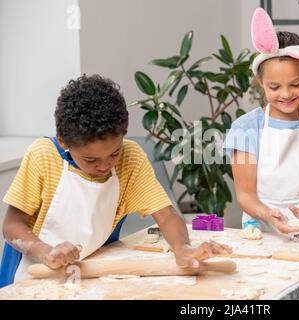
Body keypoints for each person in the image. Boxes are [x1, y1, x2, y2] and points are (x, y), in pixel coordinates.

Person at [0, 74, 231, 287]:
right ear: (63, 141)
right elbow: (11, 225)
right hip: (30, 277)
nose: (104, 165)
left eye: (114, 153)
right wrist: (46, 251)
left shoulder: (130, 159)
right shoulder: (43, 156)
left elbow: (166, 214)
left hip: (88, 276)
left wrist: (183, 248)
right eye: (90, 159)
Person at [223, 8, 299, 234]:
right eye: (274, 87)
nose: (286, 94)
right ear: (260, 81)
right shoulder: (246, 128)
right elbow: (246, 194)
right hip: (259, 231)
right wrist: (269, 215)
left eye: (295, 84)